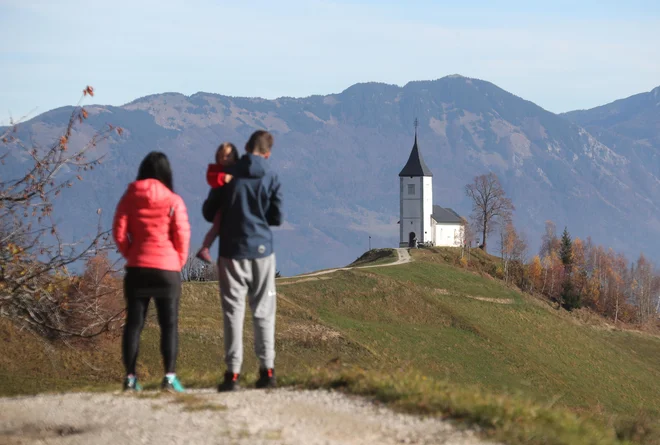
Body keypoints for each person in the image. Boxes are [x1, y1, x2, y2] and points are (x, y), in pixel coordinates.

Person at [202, 130, 282, 391]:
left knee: (233, 313)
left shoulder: (229, 175)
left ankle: (233, 374)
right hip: (262, 251)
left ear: (246, 147)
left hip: (232, 252)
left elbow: (208, 211)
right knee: (264, 311)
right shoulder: (272, 176)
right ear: (268, 153)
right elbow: (277, 218)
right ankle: (267, 371)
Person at [113, 151, 190, 393]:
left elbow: (118, 231)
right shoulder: (173, 200)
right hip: (167, 270)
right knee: (169, 326)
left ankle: (130, 378)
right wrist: (176, 261)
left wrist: (132, 254)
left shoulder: (130, 196)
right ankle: (169, 378)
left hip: (137, 268)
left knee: (134, 324)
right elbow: (182, 235)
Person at [196, 142, 239, 264]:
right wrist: (223, 177)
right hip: (221, 207)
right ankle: (205, 248)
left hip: (232, 208)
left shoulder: (238, 169)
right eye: (221, 156)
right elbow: (212, 178)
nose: (224, 159)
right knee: (216, 228)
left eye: (228, 156)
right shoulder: (216, 170)